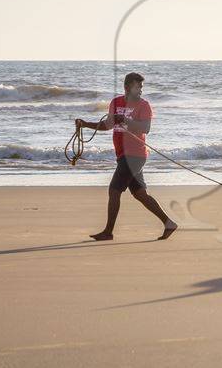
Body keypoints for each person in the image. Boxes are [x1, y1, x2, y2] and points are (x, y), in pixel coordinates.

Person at [76, 72, 178, 241]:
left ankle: (108, 232)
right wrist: (85, 124)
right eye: (137, 87)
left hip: (135, 155)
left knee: (114, 190)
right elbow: (107, 125)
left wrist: (125, 120)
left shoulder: (144, 105)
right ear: (127, 87)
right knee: (140, 194)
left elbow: (145, 128)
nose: (140, 91)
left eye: (141, 87)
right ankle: (169, 223)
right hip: (123, 154)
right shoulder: (116, 102)